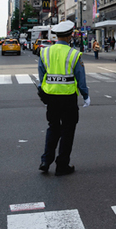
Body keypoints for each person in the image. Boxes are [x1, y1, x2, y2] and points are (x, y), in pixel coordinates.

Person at [38, 20, 90, 176]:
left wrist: (44, 92)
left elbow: (42, 77)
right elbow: (81, 79)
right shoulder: (74, 54)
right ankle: (62, 165)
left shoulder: (45, 52)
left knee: (53, 127)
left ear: (56, 36)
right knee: (68, 130)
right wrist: (86, 96)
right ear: (70, 35)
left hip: (51, 97)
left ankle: (45, 161)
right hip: (68, 97)